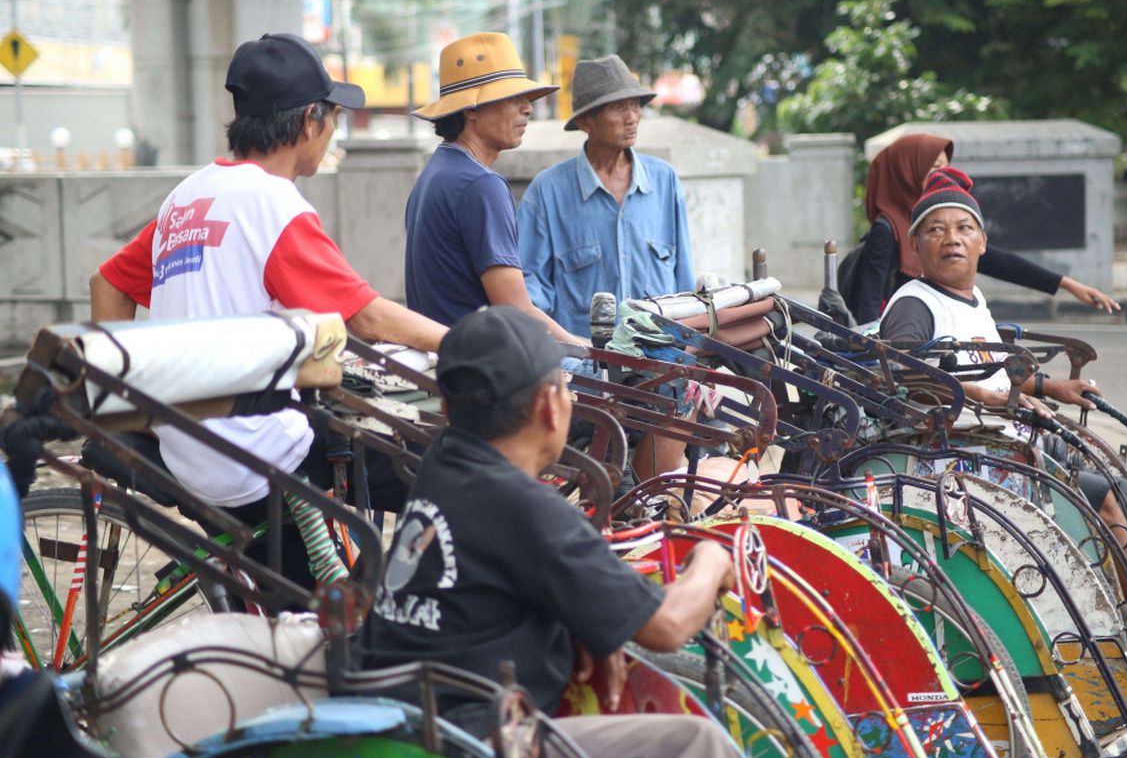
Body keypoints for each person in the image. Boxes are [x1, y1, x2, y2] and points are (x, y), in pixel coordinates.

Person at [90, 33, 446, 586]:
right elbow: (366, 317)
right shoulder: (273, 205)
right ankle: (394, 613)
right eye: (332, 117)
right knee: (434, 468)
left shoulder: (188, 196)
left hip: (187, 447)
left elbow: (107, 283)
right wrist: (460, 341)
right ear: (310, 121)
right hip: (255, 454)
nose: (331, 132)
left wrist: (129, 404)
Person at [361, 306, 743, 758]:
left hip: (394, 719)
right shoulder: (529, 508)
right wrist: (711, 561)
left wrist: (577, 626)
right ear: (550, 404)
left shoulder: (443, 464)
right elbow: (668, 625)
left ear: (447, 408)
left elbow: (490, 580)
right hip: (471, 741)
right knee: (695, 742)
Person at [880, 167, 1127, 657]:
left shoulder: (971, 299)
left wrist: (1052, 386)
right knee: (1103, 496)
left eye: (963, 229)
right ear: (916, 247)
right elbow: (900, 373)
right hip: (964, 454)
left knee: (1119, 489)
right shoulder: (915, 304)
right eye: (936, 230)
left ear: (983, 244)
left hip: (1003, 439)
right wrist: (980, 398)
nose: (952, 239)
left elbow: (993, 368)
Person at [404, 32, 584, 346]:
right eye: (512, 97)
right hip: (483, 371)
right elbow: (515, 311)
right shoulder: (480, 185)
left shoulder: (436, 172)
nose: (527, 108)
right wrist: (585, 350)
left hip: (443, 365)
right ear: (470, 109)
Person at [842, 132, 1120, 324]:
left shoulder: (936, 218)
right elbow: (870, 300)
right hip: (902, 331)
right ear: (907, 169)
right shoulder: (887, 228)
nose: (941, 174)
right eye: (933, 166)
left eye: (945, 166)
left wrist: (1066, 284)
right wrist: (875, 356)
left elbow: (997, 261)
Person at [517, 55, 695, 338]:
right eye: (618, 107)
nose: (632, 117)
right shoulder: (547, 192)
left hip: (662, 359)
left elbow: (684, 279)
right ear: (587, 121)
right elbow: (531, 289)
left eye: (635, 105)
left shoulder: (664, 181)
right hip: (586, 366)